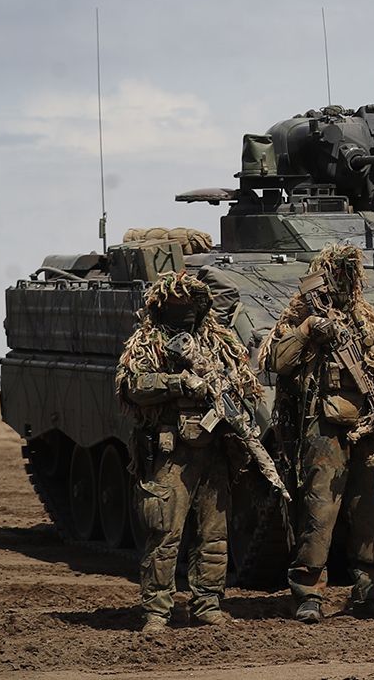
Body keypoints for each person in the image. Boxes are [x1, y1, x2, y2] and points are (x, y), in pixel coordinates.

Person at [263, 244, 374, 623]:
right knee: (319, 511)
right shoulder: (302, 317)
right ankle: (308, 592)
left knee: (369, 514)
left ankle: (369, 592)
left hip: (366, 428)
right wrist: (308, 330)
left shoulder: (365, 321)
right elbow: (277, 362)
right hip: (322, 428)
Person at [117, 271, 262, 632]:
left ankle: (207, 603)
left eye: (191, 305)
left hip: (214, 449)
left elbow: (244, 380)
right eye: (176, 304)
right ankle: (157, 610)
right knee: (164, 532)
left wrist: (226, 384)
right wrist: (179, 382)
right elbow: (134, 385)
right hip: (171, 451)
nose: (184, 311)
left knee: (214, 533)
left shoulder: (218, 342)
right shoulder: (147, 342)